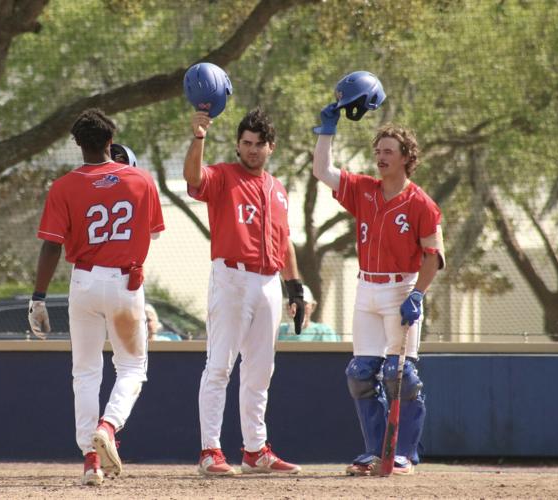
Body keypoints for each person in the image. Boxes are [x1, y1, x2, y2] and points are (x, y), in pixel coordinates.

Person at [311, 72, 444, 476]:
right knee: (360, 374)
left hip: (401, 290)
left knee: (399, 374)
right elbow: (322, 170)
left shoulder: (421, 203)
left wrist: (417, 295)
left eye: (389, 150)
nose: (381, 156)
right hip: (366, 289)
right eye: (378, 150)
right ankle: (376, 452)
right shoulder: (365, 189)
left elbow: (434, 256)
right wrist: (326, 129)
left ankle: (404, 454)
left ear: (406, 157)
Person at [27, 109, 165, 486]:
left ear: (77, 144)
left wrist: (38, 298)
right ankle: (109, 425)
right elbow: (152, 233)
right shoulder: (141, 179)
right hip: (124, 283)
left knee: (85, 371)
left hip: (84, 282)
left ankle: (91, 460)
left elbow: (50, 247)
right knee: (132, 368)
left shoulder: (63, 187)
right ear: (111, 141)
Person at [185, 107, 304, 476]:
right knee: (220, 366)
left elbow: (284, 242)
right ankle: (210, 451)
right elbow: (193, 177)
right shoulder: (223, 175)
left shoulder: (278, 188)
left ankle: (254, 450)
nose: (251, 150)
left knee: (260, 370)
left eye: (258, 144)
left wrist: (295, 287)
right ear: (238, 145)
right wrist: (199, 137)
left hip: (269, 281)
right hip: (232, 277)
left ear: (272, 147)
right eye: (246, 143)